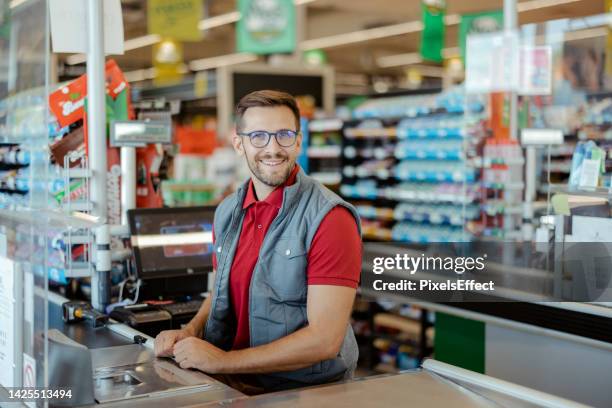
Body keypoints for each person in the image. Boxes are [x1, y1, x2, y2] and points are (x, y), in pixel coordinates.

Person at [154, 90, 362, 393]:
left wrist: (222, 361)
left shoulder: (330, 218)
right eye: (259, 136)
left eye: (284, 135)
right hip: (233, 385)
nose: (273, 148)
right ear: (239, 144)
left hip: (301, 392)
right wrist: (190, 331)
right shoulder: (227, 211)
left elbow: (325, 339)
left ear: (299, 141)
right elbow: (221, 289)